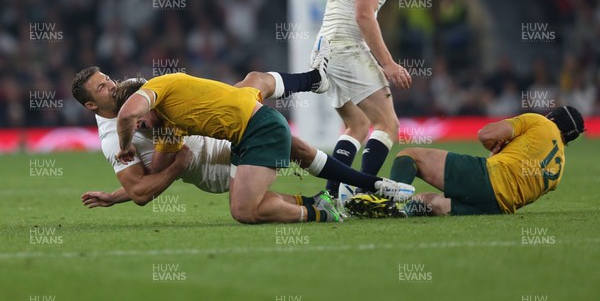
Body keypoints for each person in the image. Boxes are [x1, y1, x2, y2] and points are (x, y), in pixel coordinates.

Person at [71, 67, 413, 220]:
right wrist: (121, 192)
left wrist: (138, 144)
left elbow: (136, 116)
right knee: (289, 140)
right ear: (90, 105)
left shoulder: (145, 103)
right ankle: (360, 190)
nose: (113, 86)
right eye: (103, 88)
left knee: (249, 206)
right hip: (215, 164)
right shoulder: (113, 136)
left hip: (233, 134)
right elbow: (145, 187)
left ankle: (343, 199)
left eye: (110, 79)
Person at [310, 0, 418, 196]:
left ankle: (331, 195)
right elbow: (363, 16)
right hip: (346, 48)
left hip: (324, 49)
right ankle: (361, 190)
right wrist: (389, 64)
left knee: (356, 124)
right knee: (388, 124)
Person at [345, 106, 585, 217]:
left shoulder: (540, 122)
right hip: (496, 209)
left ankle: (384, 205)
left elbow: (486, 135)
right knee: (424, 201)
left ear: (552, 116)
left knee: (408, 156)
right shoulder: (560, 169)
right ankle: (399, 212)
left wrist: (495, 148)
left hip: (487, 179)